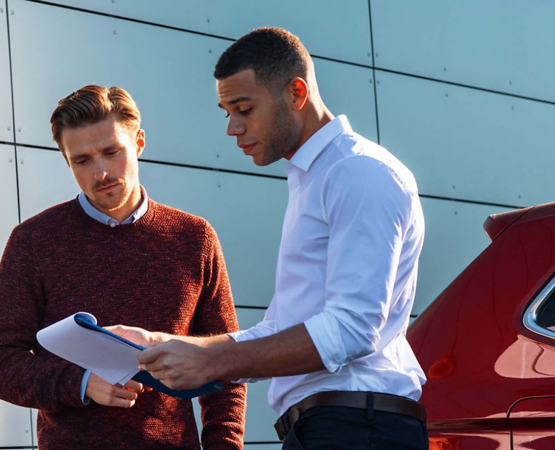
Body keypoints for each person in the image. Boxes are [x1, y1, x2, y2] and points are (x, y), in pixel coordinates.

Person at [110, 28, 429, 449]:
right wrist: (172, 344)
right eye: (226, 111)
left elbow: (352, 328)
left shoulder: (358, 173)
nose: (231, 128)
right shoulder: (315, 179)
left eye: (243, 108)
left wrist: (211, 360)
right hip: (331, 426)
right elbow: (281, 330)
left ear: (297, 92)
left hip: (358, 428)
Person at [0, 85, 246, 450]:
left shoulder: (194, 238)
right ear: (67, 162)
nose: (101, 173)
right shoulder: (34, 241)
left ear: (139, 143)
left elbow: (227, 365)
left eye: (111, 152)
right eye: (82, 160)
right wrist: (81, 383)